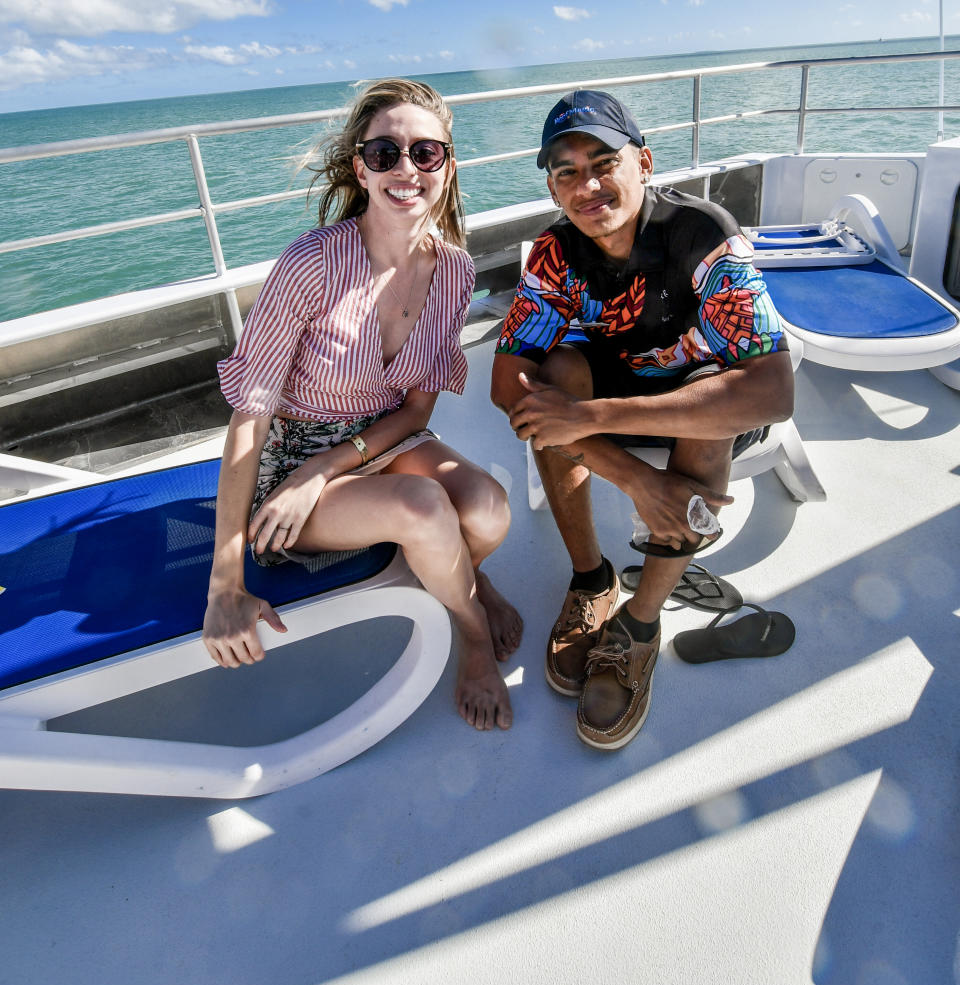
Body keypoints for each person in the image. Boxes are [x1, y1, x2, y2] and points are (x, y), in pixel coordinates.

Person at [203, 78, 520, 732]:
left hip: (378, 443)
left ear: (447, 165)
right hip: (289, 459)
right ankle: (473, 633)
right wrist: (225, 587)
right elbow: (249, 421)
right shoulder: (311, 265)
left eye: (425, 153)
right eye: (385, 154)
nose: (406, 169)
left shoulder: (455, 271)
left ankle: (461, 571)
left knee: (488, 508)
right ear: (362, 169)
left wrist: (329, 470)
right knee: (424, 505)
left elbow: (416, 414)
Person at [490, 88, 793, 750]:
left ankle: (641, 623)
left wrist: (592, 415)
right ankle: (590, 577)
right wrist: (639, 482)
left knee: (710, 408)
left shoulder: (702, 234)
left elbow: (772, 391)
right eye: (566, 171)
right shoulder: (555, 254)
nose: (587, 184)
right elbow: (506, 385)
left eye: (603, 162)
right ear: (552, 187)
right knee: (552, 379)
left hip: (698, 401)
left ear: (645, 162)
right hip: (613, 406)